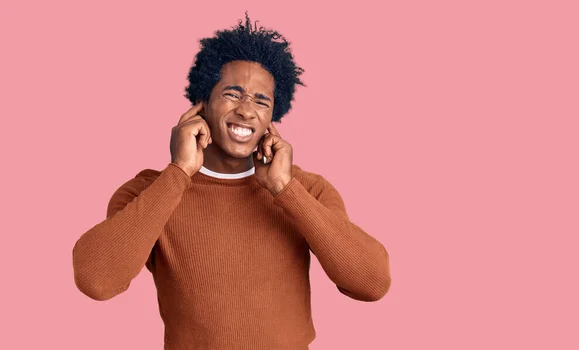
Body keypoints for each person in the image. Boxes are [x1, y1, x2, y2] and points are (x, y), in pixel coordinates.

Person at [72, 13, 391, 350]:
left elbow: (372, 283)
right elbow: (96, 281)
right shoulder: (149, 191)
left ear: (272, 117)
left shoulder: (307, 190)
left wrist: (285, 189)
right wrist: (179, 173)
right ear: (202, 103)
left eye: (261, 101)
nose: (246, 111)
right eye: (233, 94)